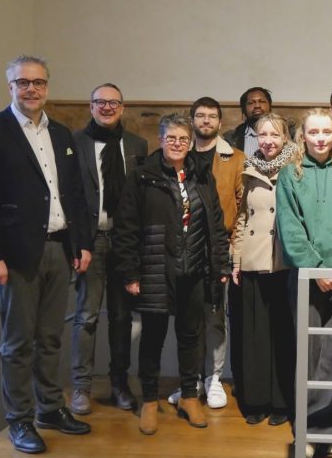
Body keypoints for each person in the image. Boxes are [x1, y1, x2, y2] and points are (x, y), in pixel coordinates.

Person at [0, 55, 92, 454]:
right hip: (16, 256)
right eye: (23, 83)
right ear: (11, 87)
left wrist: (82, 243)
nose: (31, 89)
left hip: (59, 248)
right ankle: (19, 419)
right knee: (18, 343)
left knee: (51, 338)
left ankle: (49, 408)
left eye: (38, 82)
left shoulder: (62, 135)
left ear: (47, 87)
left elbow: (74, 193)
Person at [114, 113, 230, 434]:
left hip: (193, 270)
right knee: (152, 338)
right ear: (161, 141)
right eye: (171, 138)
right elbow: (125, 230)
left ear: (190, 142)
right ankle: (149, 400)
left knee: (190, 336)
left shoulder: (202, 176)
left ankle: (190, 397)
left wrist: (219, 265)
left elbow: (216, 226)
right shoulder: (141, 177)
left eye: (183, 139)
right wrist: (130, 273)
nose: (177, 144)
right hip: (153, 270)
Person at [276, 108, 332, 458]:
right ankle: (309, 433)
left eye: (327, 132)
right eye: (314, 132)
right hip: (306, 279)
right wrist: (316, 268)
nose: (322, 138)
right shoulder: (289, 175)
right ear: (303, 136)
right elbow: (290, 229)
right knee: (308, 358)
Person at [70, 83, 148, 416]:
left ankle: (119, 384)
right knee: (86, 317)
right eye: (100, 102)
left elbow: (142, 199)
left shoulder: (136, 145)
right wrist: (78, 244)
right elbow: (69, 197)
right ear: (90, 106)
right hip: (91, 242)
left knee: (121, 318)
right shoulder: (75, 143)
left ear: (122, 107)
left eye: (113, 102)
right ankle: (81, 387)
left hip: (126, 241)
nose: (107, 107)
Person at [167, 97, 244, 409]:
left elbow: (243, 208)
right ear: (191, 120)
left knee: (214, 317)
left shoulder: (235, 159)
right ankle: (191, 381)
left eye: (212, 116)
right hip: (181, 249)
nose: (206, 121)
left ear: (220, 122)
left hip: (218, 247)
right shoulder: (175, 156)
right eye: (200, 116)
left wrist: (232, 249)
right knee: (188, 319)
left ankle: (213, 378)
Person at [231, 114, 297, 425]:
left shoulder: (297, 167)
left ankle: (283, 402)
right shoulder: (248, 168)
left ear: (285, 138)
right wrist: (236, 258)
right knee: (254, 335)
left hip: (285, 262)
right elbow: (242, 218)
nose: (268, 140)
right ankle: (256, 400)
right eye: (262, 135)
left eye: (274, 134)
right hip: (254, 262)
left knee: (283, 334)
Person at [225, 87, 273, 156]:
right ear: (244, 109)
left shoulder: (286, 133)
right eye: (251, 103)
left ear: (270, 106)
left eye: (262, 101)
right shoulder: (231, 138)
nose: (257, 105)